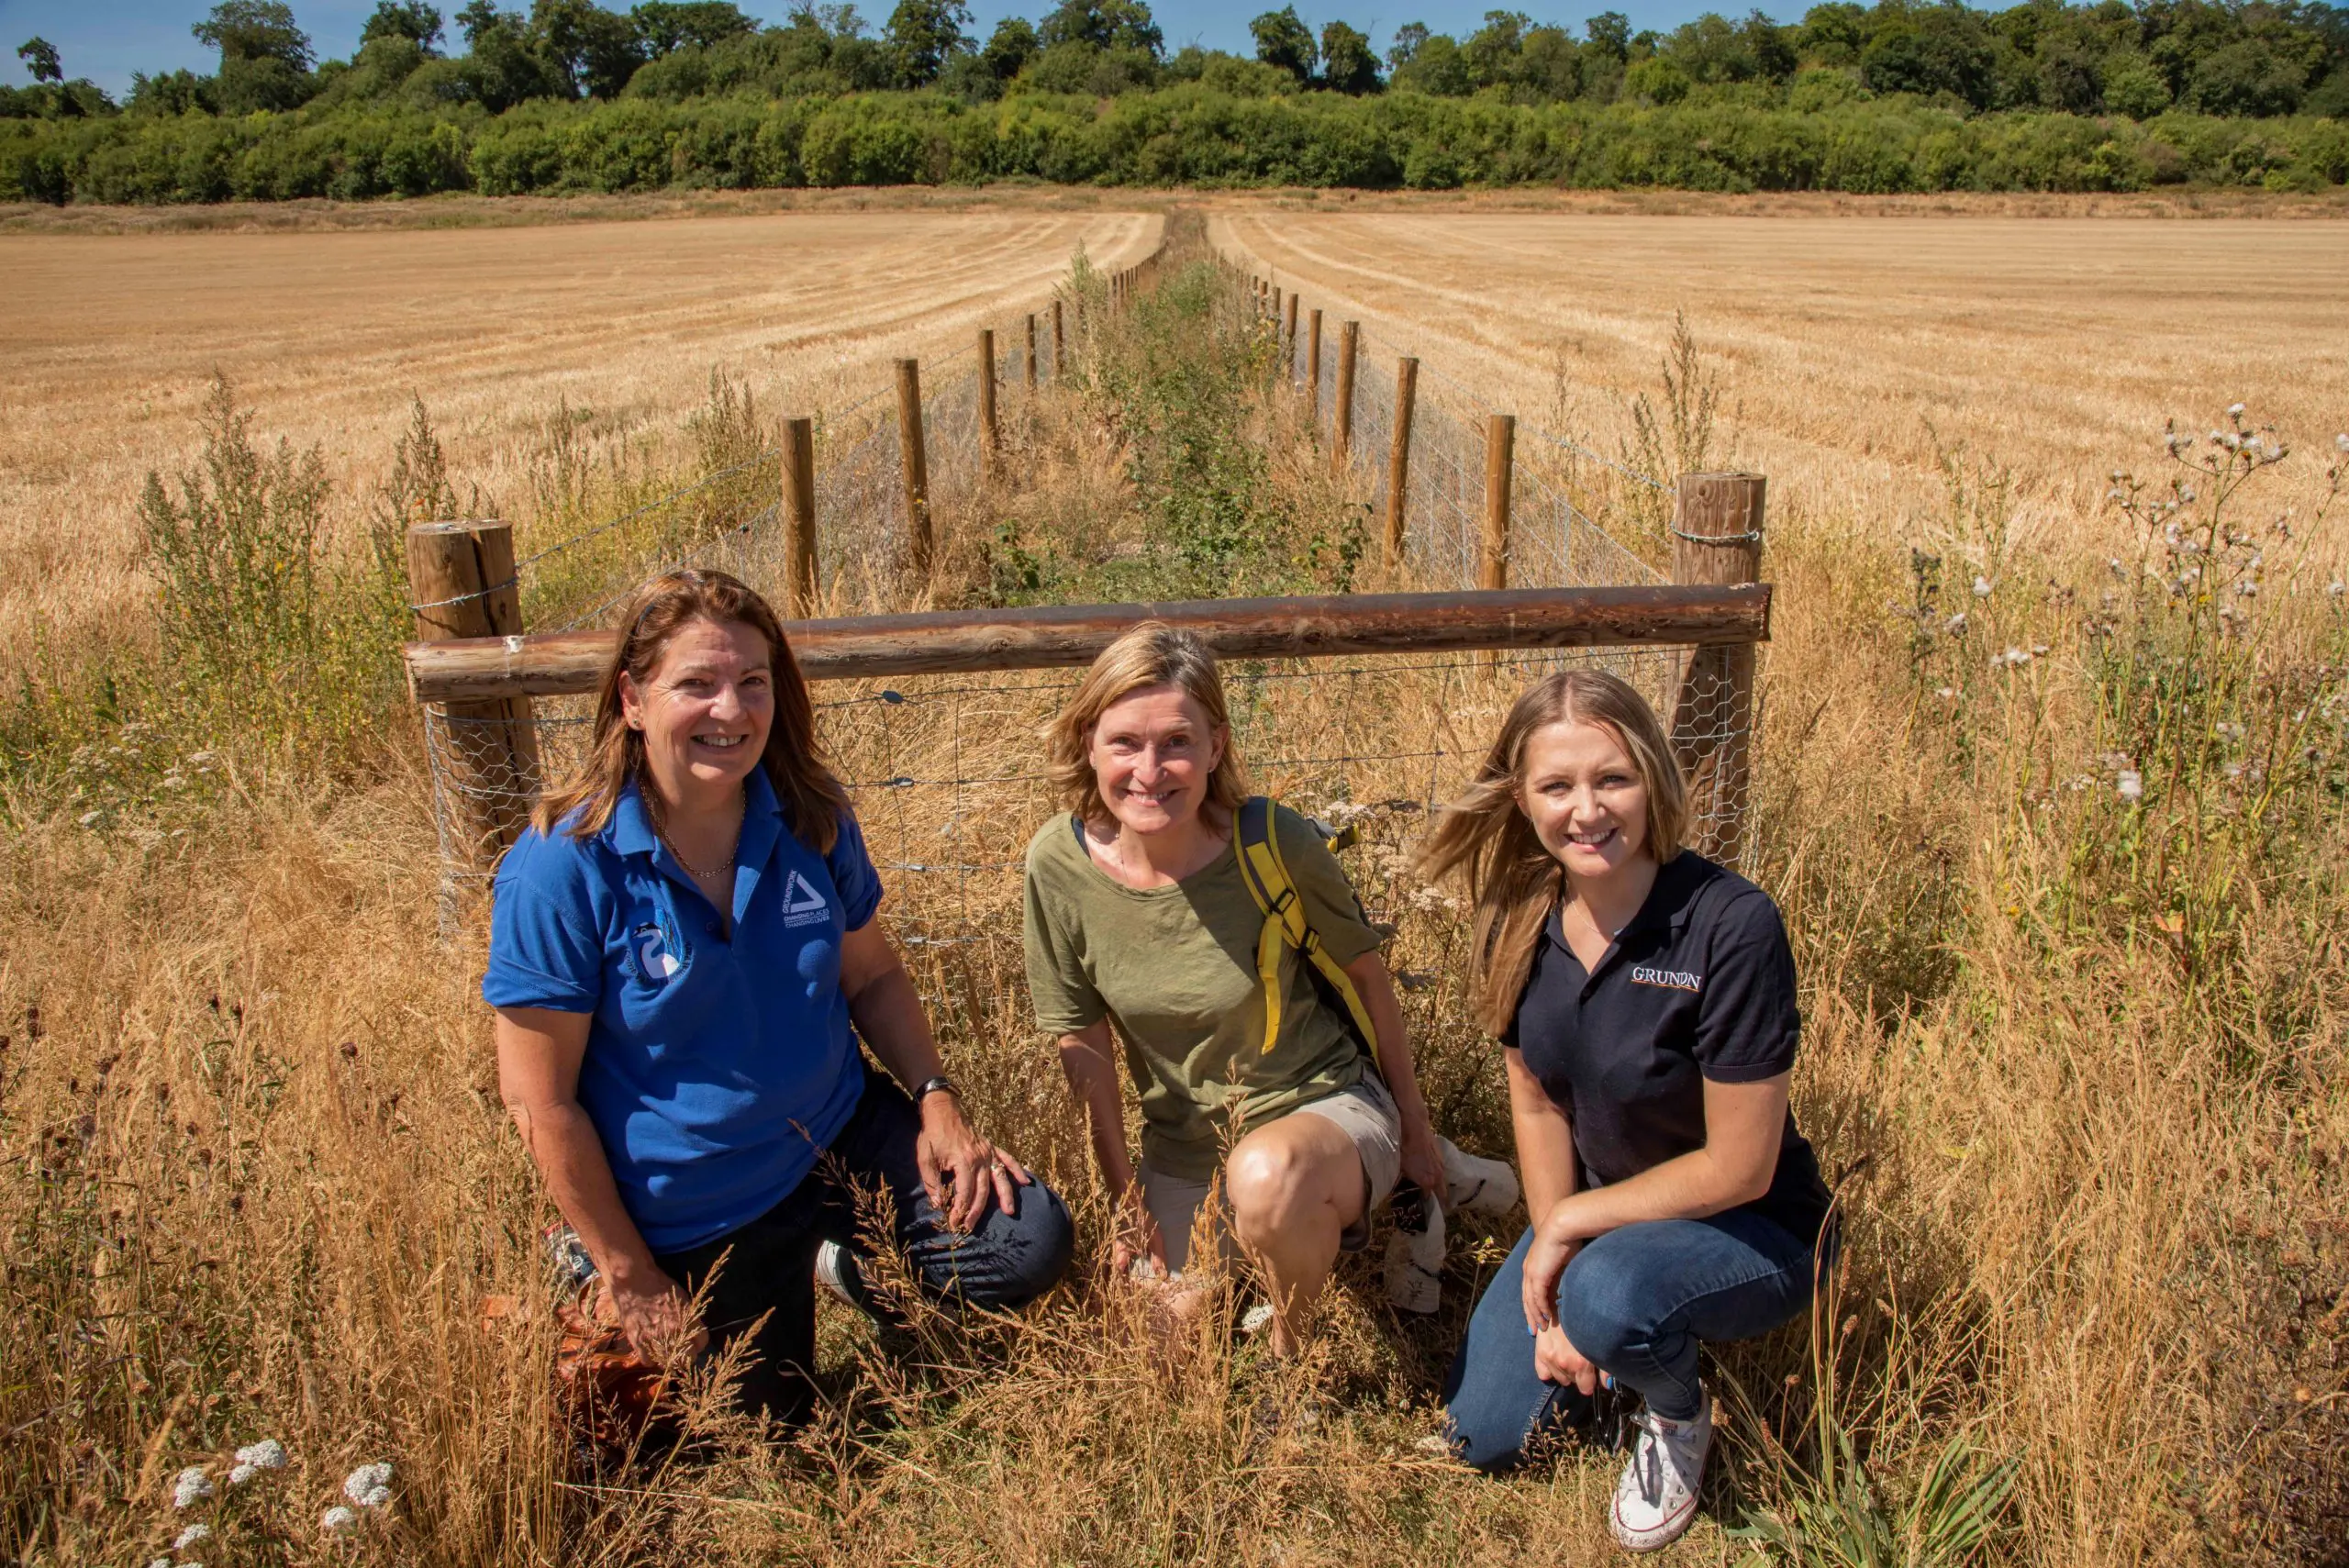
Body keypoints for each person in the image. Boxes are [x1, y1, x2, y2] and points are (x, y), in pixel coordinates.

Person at [485, 569, 1073, 1427]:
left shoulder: (809, 814)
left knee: (1026, 1241)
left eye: (752, 682)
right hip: (695, 1201)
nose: (731, 710)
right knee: (761, 1427)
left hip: (836, 1132)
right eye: (697, 683)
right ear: (632, 699)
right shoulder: (561, 867)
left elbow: (869, 975)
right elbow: (541, 1100)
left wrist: (936, 1099)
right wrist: (632, 1273)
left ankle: (841, 1256)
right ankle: (588, 1259)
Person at [1416, 669, 1832, 1552]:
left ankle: (1677, 1409)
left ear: (1653, 776)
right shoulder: (1518, 919)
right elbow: (1534, 1100)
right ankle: (1616, 1336)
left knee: (1607, 1296)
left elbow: (1740, 1166)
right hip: (1604, 1215)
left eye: (1613, 778)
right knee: (1482, 1436)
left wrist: (1570, 1240)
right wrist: (1553, 1246)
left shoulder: (1730, 924)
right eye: (1557, 786)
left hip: (1755, 1227)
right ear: (1521, 799)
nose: (1588, 810)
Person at [1021, 623, 1492, 1356]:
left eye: (1177, 741)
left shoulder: (1270, 841)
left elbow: (1367, 978)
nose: (1150, 770)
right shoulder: (1057, 865)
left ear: (1216, 746)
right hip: (1185, 1147)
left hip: (1320, 1104)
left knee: (1267, 1177)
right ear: (1088, 742)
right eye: (1124, 743)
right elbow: (1081, 1039)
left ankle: (1292, 1359)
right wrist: (1124, 1202)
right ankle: (1341, 1210)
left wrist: (1414, 1123)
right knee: (1156, 1348)